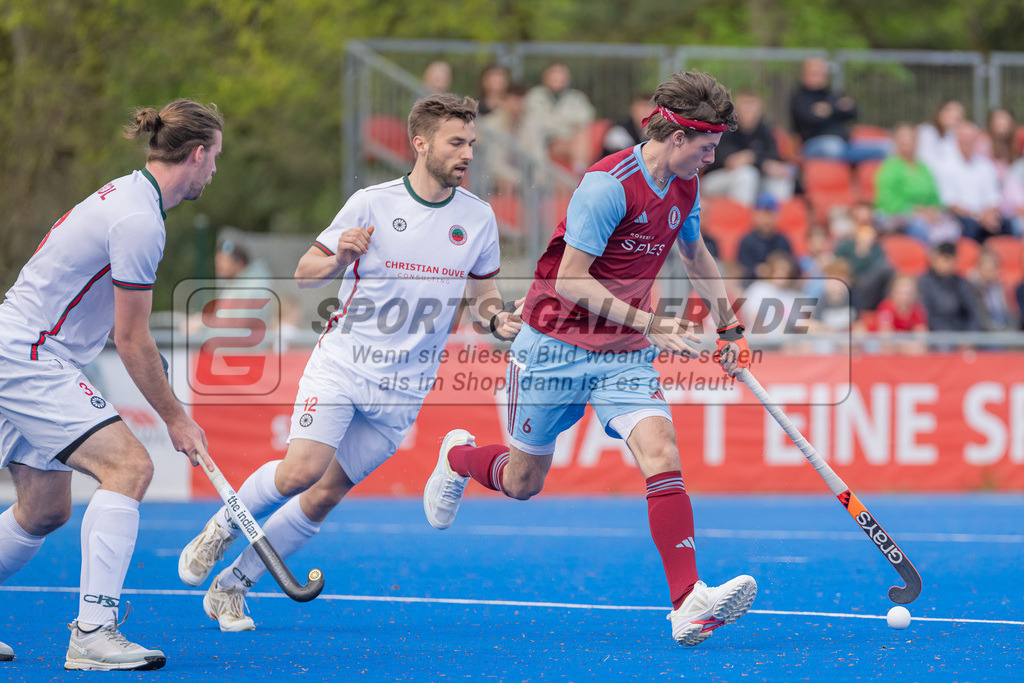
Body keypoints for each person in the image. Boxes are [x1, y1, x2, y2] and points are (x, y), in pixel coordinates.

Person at [423, 69, 758, 648]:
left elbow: (696, 254)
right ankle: (459, 459)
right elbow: (573, 281)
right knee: (524, 482)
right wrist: (652, 322)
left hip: (623, 355)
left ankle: (686, 602)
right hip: (553, 346)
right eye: (707, 147)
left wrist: (730, 325)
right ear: (677, 137)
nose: (711, 158)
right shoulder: (608, 186)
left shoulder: (686, 184)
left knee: (661, 451)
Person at [177, 94, 522, 631]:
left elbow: (484, 295)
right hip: (345, 364)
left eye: (472, 144)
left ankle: (232, 586)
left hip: (403, 392)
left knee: (323, 497)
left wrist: (498, 321)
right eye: (456, 143)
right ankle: (221, 527)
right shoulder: (371, 203)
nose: (467, 154)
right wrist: (338, 254)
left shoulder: (478, 217)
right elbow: (305, 273)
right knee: (301, 471)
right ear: (422, 143)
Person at [0, 98, 222, 670]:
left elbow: (130, 335)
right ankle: (93, 633)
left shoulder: (132, 197)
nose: (215, 171)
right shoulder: (140, 219)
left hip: (30, 351)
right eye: (216, 158)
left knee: (43, 509)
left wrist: (167, 396)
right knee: (130, 466)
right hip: (29, 354)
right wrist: (176, 417)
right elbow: (132, 340)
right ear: (196, 155)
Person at [700, 89, 795, 206]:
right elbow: (732, 162)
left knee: (782, 178)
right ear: (737, 107)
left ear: (760, 109)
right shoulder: (725, 128)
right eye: (745, 104)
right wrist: (760, 160)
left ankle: (774, 221)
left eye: (752, 105)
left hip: (754, 178)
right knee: (746, 174)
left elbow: (774, 160)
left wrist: (751, 157)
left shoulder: (765, 130)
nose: (748, 109)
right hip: (716, 180)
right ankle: (741, 221)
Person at [789, 57, 886, 163]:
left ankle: (853, 158)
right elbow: (811, 119)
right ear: (803, 75)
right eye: (814, 74)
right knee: (833, 147)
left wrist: (828, 110)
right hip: (814, 145)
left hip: (845, 143)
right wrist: (837, 109)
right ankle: (854, 157)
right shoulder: (799, 97)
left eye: (822, 73)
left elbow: (854, 112)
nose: (819, 77)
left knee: (886, 147)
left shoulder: (832, 94)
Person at [874, 123, 958, 245]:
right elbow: (888, 201)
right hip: (899, 216)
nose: (907, 141)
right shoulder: (889, 167)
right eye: (903, 137)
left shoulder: (923, 168)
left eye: (911, 137)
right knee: (919, 226)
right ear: (896, 141)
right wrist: (917, 211)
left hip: (927, 215)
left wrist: (934, 211)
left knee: (953, 227)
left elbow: (935, 196)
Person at [931, 121, 1013, 243]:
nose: (966, 142)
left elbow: (993, 197)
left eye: (970, 138)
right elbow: (950, 203)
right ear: (957, 140)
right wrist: (979, 216)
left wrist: (989, 214)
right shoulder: (945, 166)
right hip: (962, 217)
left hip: (985, 216)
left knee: (1007, 225)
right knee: (970, 226)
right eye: (963, 138)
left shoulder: (985, 165)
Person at [524, 62, 596, 174]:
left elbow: (585, 120)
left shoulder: (577, 98)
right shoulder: (534, 96)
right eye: (554, 74)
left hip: (567, 141)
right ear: (545, 77)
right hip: (543, 141)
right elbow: (534, 121)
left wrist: (555, 121)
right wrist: (564, 123)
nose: (558, 78)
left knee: (582, 134)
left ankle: (579, 174)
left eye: (561, 74)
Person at [476, 83, 546, 197]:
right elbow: (493, 164)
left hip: (523, 182)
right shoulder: (491, 125)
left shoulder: (532, 126)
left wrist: (537, 180)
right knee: (505, 182)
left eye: (520, 101)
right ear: (504, 101)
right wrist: (521, 179)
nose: (516, 106)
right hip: (493, 182)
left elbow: (538, 158)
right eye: (513, 100)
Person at [917, 242, 981, 332]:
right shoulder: (924, 281)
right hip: (938, 334)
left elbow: (972, 312)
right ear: (935, 259)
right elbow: (926, 314)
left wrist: (970, 335)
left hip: (961, 333)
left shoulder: (960, 282)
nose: (949, 264)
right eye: (945, 259)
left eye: (952, 259)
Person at [736, 192, 793, 282]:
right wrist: (758, 271)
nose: (767, 219)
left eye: (770, 214)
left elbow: (791, 267)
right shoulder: (746, 241)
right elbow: (742, 270)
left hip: (780, 286)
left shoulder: (783, 241)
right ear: (755, 215)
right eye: (763, 214)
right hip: (753, 286)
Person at [916, 99, 965, 174]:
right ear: (940, 112)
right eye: (950, 110)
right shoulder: (926, 133)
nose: (955, 115)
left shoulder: (953, 137)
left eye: (959, 112)